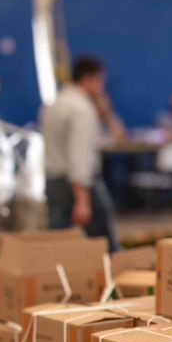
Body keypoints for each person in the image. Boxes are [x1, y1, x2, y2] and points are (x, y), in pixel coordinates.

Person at [42, 54, 120, 251]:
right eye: (101, 81)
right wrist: (83, 200)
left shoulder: (54, 105)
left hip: (54, 183)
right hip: (79, 185)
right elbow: (79, 156)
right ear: (88, 79)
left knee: (57, 245)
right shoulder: (82, 109)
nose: (102, 87)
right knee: (105, 246)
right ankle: (117, 279)